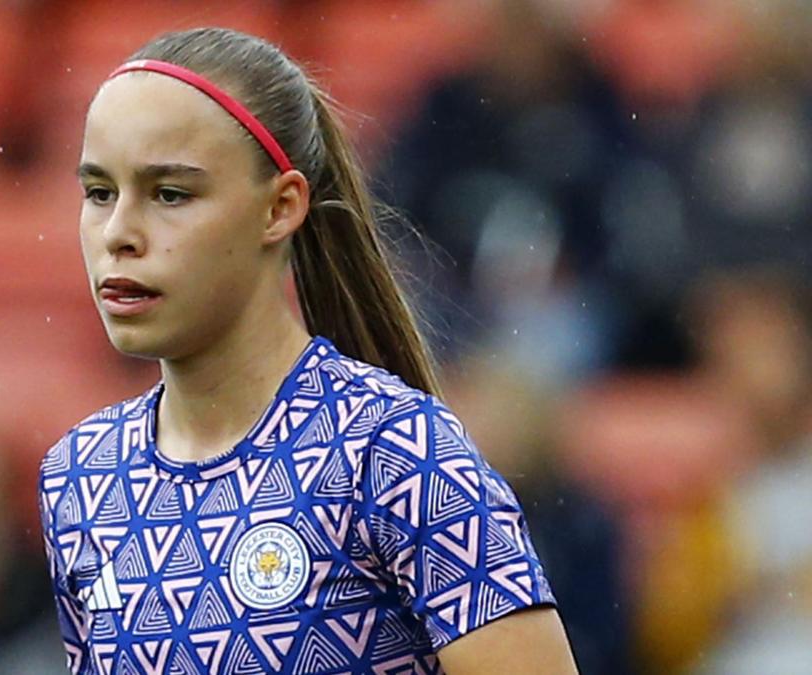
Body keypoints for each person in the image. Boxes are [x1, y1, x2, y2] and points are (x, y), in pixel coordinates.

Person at [37, 26, 577, 674]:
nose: (118, 232)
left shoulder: (395, 451)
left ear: (281, 207)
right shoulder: (80, 476)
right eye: (99, 193)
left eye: (170, 193)